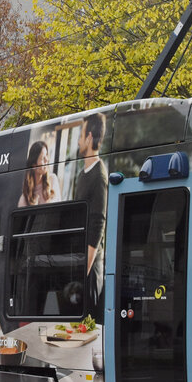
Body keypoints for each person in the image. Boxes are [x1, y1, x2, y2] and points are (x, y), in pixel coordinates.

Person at [72, 113, 108, 313]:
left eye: (80, 136)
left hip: (90, 270)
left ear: (89, 137)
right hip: (79, 262)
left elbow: (97, 225)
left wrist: (82, 272)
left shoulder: (99, 176)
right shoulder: (82, 175)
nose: (78, 141)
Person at [17, 139, 60, 207]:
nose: (47, 159)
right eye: (43, 158)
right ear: (34, 165)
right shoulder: (24, 199)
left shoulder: (52, 179)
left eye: (46, 155)